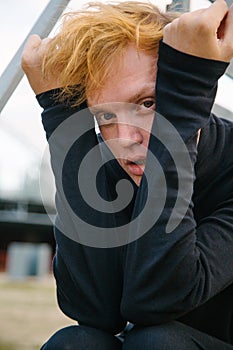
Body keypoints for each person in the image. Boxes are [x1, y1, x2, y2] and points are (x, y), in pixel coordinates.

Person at [21, 0, 233, 349]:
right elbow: (92, 310)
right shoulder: (108, 169)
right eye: (105, 117)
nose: (123, 140)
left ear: (193, 98)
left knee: (158, 343)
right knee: (75, 343)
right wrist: (62, 121)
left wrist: (178, 115)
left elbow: (159, 300)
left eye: (147, 103)